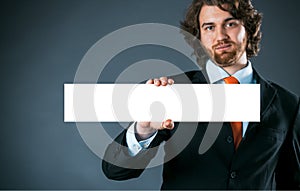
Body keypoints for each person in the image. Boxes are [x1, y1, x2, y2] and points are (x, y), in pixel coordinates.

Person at [102, 0, 300, 190]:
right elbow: (115, 170)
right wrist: (143, 130)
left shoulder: (288, 104)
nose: (220, 36)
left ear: (248, 28)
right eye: (209, 27)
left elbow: (292, 182)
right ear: (199, 36)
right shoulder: (173, 92)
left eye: (230, 23)